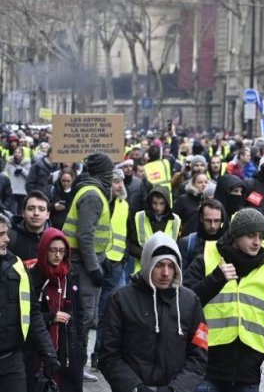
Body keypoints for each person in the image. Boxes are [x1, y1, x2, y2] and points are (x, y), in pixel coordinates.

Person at [183, 208, 264, 391]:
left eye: (261, 236)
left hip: (248, 375)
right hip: (207, 370)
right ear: (235, 235)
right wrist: (215, 280)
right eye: (251, 235)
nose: (257, 242)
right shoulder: (205, 259)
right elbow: (184, 304)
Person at [99, 232, 207, 392]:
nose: (166, 273)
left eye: (171, 266)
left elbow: (199, 355)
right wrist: (135, 387)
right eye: (159, 265)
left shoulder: (191, 302)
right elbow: (108, 354)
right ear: (148, 264)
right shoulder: (120, 300)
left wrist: (175, 389)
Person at [62, 152, 115, 382]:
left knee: (85, 318)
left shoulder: (92, 191)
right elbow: (85, 236)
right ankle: (75, 366)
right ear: (103, 174)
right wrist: (95, 268)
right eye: (110, 173)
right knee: (83, 319)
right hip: (81, 266)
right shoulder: (93, 195)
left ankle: (76, 365)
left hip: (85, 262)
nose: (112, 177)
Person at [0, 213, 60, 392]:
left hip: (11, 361)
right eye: (1, 234)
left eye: (6, 233)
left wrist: (48, 353)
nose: (7, 239)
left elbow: (32, 313)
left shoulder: (17, 267)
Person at [26, 228, 85, 392]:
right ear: (44, 250)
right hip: (39, 352)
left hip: (68, 352)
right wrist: (51, 317)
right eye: (52, 250)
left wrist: (81, 349)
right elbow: (27, 316)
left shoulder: (70, 277)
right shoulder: (32, 277)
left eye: (61, 251)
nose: (57, 255)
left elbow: (80, 315)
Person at [91, 168, 131, 371]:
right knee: (94, 313)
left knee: (111, 312)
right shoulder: (100, 202)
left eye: (121, 181)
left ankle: (99, 355)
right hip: (99, 262)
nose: (120, 185)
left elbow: (125, 232)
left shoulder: (124, 205)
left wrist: (124, 255)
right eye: (116, 181)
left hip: (117, 265)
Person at [128, 185, 181, 274]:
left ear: (167, 203)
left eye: (161, 203)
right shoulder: (139, 217)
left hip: (166, 269)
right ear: (150, 202)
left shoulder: (175, 220)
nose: (157, 207)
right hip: (142, 268)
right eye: (155, 203)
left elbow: (177, 246)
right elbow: (131, 244)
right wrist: (148, 257)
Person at [177, 199, 227, 271]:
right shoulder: (187, 244)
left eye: (216, 221)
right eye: (208, 221)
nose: (212, 226)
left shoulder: (228, 244)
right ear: (201, 218)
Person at [8, 191, 52, 268]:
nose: (36, 213)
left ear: (48, 214)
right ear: (23, 212)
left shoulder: (55, 239)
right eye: (31, 208)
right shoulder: (9, 237)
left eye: (41, 209)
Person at [173, 172, 208, 236]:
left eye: (206, 182)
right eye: (200, 182)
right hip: (187, 237)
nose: (204, 185)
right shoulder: (183, 199)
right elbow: (173, 219)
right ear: (193, 184)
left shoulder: (210, 200)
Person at [5, 146, 30, 215]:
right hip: (12, 188)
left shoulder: (26, 162)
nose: (17, 154)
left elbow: (29, 176)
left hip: (22, 189)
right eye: (15, 152)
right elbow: (5, 172)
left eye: (19, 152)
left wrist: (22, 170)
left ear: (22, 153)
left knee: (21, 209)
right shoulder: (9, 162)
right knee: (12, 209)